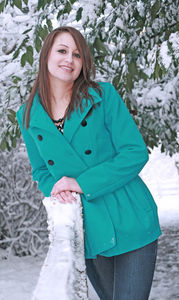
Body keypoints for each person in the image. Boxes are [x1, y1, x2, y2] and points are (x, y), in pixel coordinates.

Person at [16, 26, 162, 300]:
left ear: (84, 63)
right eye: (62, 51)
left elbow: (134, 152)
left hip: (130, 217)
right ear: (46, 55)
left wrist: (80, 183)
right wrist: (58, 189)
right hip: (88, 227)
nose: (69, 59)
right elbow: (41, 171)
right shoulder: (27, 114)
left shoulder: (103, 96)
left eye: (77, 54)